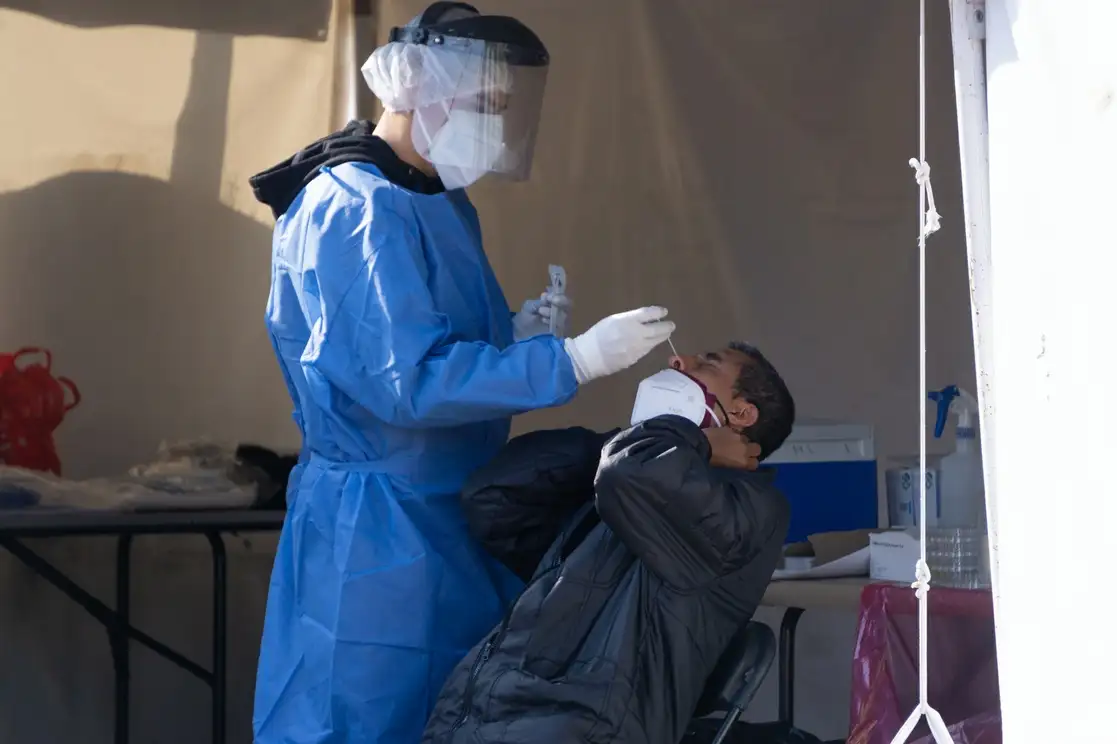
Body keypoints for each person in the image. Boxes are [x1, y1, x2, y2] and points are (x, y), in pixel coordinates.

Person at [247, 4, 675, 743]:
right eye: (485, 104)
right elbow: (403, 382)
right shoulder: (355, 206)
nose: (496, 124)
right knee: (357, 717)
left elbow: (426, 336)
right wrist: (569, 359)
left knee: (451, 718)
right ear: (421, 91)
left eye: (505, 108)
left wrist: (512, 333)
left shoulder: (437, 201)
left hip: (451, 517)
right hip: (374, 535)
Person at [421, 343, 796, 744]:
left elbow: (633, 474)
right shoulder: (630, 479)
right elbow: (493, 498)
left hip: (579, 729)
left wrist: (686, 443)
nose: (678, 360)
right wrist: (626, 441)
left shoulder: (750, 504)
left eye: (707, 363)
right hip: (486, 717)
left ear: (740, 413)